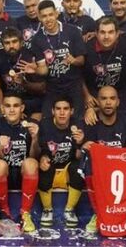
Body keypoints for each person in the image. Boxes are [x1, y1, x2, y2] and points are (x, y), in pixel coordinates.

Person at [81, 86, 126, 232]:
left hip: (122, 171)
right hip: (100, 173)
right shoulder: (90, 122)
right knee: (86, 161)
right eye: (104, 98)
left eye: (112, 98)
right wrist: (83, 146)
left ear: (118, 102)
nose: (108, 102)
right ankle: (98, 214)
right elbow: (79, 154)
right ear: (98, 102)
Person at [0, 92, 40, 232]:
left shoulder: (31, 125)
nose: (12, 110)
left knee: (31, 163)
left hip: (24, 175)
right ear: (3, 108)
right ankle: (5, 211)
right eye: (8, 106)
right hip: (3, 177)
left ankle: (25, 213)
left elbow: (34, 156)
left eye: (16, 106)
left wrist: (35, 139)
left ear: (22, 108)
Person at [29, 0, 86, 119]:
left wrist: (74, 60)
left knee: (78, 121)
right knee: (47, 121)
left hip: (73, 86)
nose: (48, 19)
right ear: (39, 17)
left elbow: (82, 60)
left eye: (50, 14)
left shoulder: (72, 31)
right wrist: (35, 70)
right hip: (53, 87)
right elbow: (44, 70)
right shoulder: (37, 39)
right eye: (44, 16)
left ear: (56, 13)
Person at [38, 96, 85, 228]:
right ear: (53, 111)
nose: (62, 112)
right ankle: (47, 209)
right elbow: (39, 151)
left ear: (72, 111)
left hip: (68, 170)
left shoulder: (78, 125)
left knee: (79, 167)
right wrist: (42, 158)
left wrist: (80, 143)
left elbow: (79, 155)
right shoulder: (45, 125)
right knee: (44, 166)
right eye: (58, 109)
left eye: (66, 109)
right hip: (50, 167)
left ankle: (70, 209)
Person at [83, 17, 126, 122]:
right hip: (93, 96)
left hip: (119, 94)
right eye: (102, 32)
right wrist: (86, 95)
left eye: (110, 32)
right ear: (96, 33)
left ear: (117, 34)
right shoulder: (86, 49)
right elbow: (78, 75)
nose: (106, 37)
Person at [0, 27, 45, 120]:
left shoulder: (30, 57)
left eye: (14, 42)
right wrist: (1, 107)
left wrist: (24, 83)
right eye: (7, 43)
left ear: (21, 42)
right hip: (9, 102)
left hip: (31, 100)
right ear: (2, 45)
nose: (11, 46)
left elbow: (42, 88)